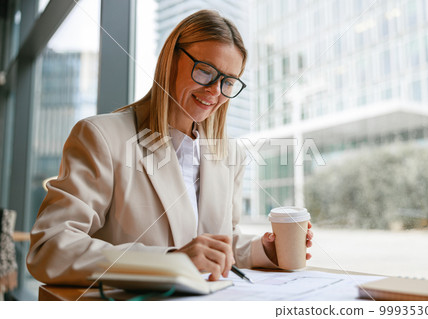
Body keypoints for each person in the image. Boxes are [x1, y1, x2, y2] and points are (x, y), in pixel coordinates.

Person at [26, 9, 313, 286]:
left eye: (228, 82)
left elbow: (215, 243)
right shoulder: (101, 136)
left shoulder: (229, 154)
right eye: (205, 71)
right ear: (171, 61)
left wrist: (265, 250)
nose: (215, 91)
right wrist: (171, 260)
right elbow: (50, 248)